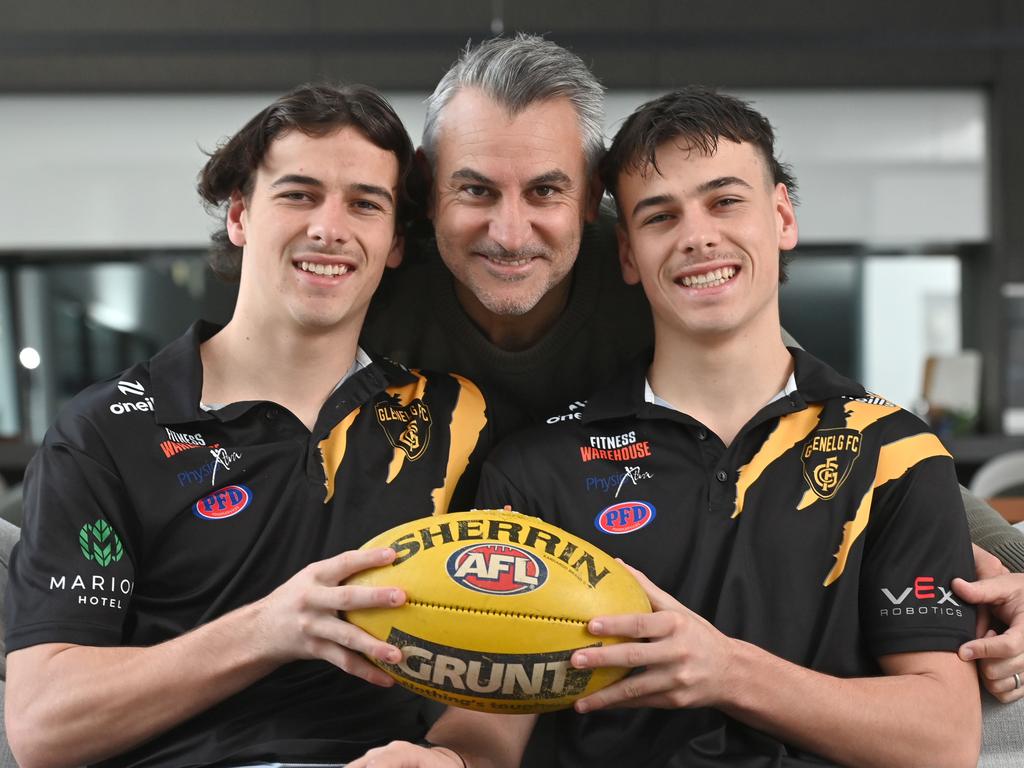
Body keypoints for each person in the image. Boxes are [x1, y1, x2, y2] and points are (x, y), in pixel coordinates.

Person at [358, 33, 1024, 696]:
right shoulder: (370, 289)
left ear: (593, 200)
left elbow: (837, 424)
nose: (509, 232)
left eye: (544, 192)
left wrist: (1017, 576)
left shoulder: (656, 280)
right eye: (475, 190)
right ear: (425, 185)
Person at [4, 84, 493, 768]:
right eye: (298, 194)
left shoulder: (453, 418)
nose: (329, 227)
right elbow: (41, 726)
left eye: (364, 204)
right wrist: (270, 627)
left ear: (393, 245)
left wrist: (452, 762)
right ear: (239, 214)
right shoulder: (107, 432)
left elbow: (510, 660)